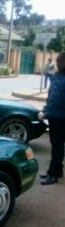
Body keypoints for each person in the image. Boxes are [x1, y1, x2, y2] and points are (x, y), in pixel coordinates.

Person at [39, 52, 65, 185]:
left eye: (61, 61)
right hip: (53, 115)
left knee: (57, 146)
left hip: (62, 117)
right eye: (58, 61)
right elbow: (51, 94)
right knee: (55, 145)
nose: (58, 63)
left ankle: (53, 174)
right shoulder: (56, 75)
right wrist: (46, 108)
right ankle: (58, 170)